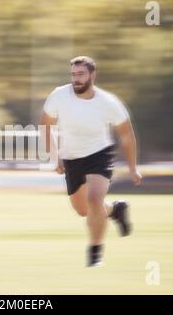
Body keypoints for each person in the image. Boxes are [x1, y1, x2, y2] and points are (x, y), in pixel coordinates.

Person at [40, 55, 142, 266]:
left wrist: (133, 168)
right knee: (83, 210)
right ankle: (115, 210)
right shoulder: (59, 95)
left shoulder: (108, 102)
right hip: (71, 157)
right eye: (73, 74)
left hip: (99, 154)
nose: (76, 79)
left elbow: (126, 135)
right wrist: (54, 156)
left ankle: (96, 253)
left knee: (95, 199)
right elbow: (45, 125)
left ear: (92, 74)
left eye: (81, 74)